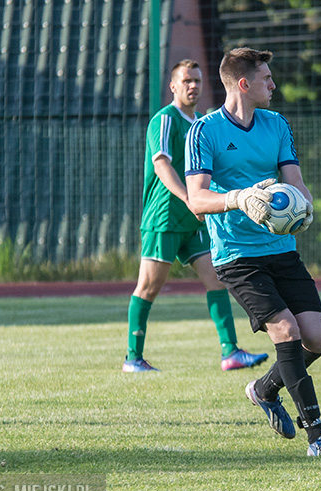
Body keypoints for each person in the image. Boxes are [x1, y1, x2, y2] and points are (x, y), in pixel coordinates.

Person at [184, 47, 321, 457]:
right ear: (244, 84)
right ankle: (318, 437)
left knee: (316, 338)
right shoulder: (204, 132)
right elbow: (197, 199)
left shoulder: (277, 124)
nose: (273, 85)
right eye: (267, 78)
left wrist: (304, 206)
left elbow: (294, 180)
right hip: (237, 256)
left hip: (281, 249)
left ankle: (262, 390)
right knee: (286, 332)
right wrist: (240, 198)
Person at [123, 59, 269, 373]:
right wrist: (188, 197)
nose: (193, 86)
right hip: (164, 217)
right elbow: (162, 164)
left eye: (198, 81)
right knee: (149, 287)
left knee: (217, 280)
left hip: (195, 219)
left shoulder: (203, 123)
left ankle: (230, 351)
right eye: (186, 80)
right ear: (172, 86)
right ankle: (132, 358)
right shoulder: (165, 120)